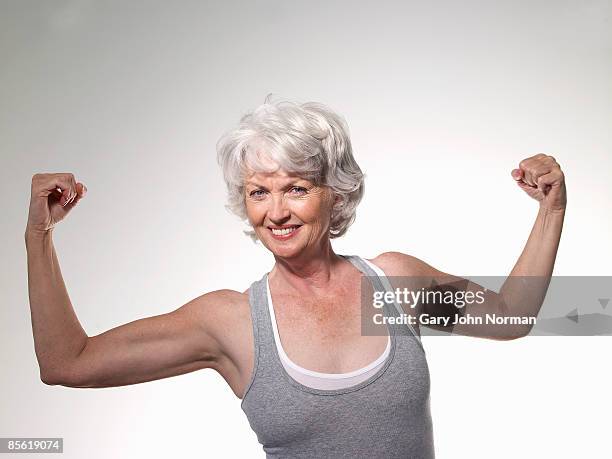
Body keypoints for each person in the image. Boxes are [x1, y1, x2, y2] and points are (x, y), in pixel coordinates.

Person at [25, 97, 566, 458]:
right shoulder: (234, 323)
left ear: (337, 191)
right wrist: (39, 237)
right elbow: (66, 362)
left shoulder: (392, 286)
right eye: (259, 192)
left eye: (297, 188)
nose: (276, 212)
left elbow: (511, 317)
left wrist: (551, 211)